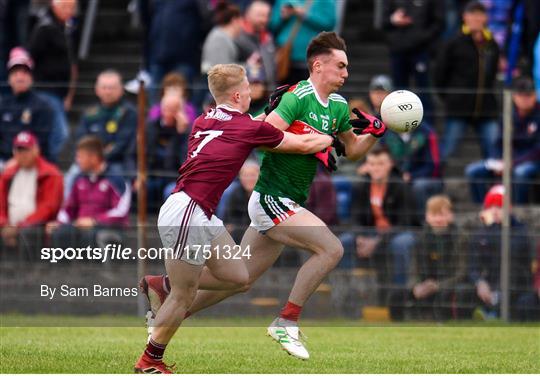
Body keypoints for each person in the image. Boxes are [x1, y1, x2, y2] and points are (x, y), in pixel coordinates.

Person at [140, 32, 387, 362]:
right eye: (340, 66)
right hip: (264, 199)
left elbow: (350, 149)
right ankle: (286, 320)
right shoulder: (294, 99)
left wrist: (372, 133)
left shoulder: (209, 117)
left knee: (239, 279)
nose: (346, 73)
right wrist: (322, 143)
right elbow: (278, 137)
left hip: (210, 208)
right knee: (331, 248)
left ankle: (167, 298)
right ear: (318, 65)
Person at [134, 63, 335, 373]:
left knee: (239, 278)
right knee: (184, 295)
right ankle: (150, 360)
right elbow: (303, 144)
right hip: (189, 211)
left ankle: (163, 284)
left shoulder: (205, 118)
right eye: (249, 86)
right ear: (239, 93)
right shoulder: (247, 127)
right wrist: (331, 137)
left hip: (192, 210)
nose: (253, 90)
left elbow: (244, 126)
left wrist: (266, 117)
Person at [341, 145, 418, 298]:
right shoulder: (361, 186)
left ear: (390, 164)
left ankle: (399, 295)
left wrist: (377, 241)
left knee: (401, 244)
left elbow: (405, 222)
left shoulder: (401, 186)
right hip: (372, 232)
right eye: (372, 164)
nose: (376, 168)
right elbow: (355, 218)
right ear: (366, 166)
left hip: (400, 232)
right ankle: (349, 290)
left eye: (381, 164)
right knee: (344, 241)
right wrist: (360, 237)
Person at [435, 1, 500, 164]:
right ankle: (435, 182)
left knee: (494, 152)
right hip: (459, 106)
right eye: (472, 14)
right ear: (465, 17)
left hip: (486, 107)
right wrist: (449, 97)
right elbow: (439, 74)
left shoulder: (491, 43)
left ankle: (495, 187)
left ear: (485, 17)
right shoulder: (454, 42)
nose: (477, 19)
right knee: (447, 151)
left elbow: (492, 74)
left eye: (480, 14)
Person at [389, 195, 466, 321]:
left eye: (442, 214)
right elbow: (414, 269)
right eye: (434, 215)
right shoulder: (420, 239)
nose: (438, 219)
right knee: (396, 295)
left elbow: (461, 273)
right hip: (424, 285)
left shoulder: (460, 238)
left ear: (451, 216)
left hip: (447, 286)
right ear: (427, 217)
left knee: (451, 295)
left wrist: (438, 285)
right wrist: (416, 287)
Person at [47, 136, 131, 250]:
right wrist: (59, 222)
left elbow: (121, 213)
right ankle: (61, 268)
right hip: (80, 225)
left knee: (89, 237)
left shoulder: (117, 179)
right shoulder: (79, 179)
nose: (77, 160)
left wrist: (95, 221)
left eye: (80, 156)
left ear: (93, 157)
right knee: (60, 234)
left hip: (108, 227)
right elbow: (68, 208)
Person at [465, 76, 539, 204]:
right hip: (507, 160)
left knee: (521, 173)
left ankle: (519, 209)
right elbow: (498, 143)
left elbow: (537, 150)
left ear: (534, 96)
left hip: (531, 161)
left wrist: (513, 163)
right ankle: (483, 207)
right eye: (522, 95)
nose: (526, 99)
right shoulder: (508, 114)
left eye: (529, 95)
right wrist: (498, 160)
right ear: (515, 97)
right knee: (473, 170)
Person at [464, 185, 532, 320]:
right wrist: (479, 282)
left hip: (514, 284)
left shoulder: (520, 230)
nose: (494, 211)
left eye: (499, 207)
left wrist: (491, 229)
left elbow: (509, 250)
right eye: (490, 207)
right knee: (464, 291)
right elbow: (472, 265)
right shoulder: (481, 232)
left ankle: (492, 314)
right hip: (488, 283)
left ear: (509, 209)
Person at [66, 69, 137, 192]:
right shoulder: (90, 113)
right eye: (104, 87)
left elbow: (122, 144)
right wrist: (88, 159)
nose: (108, 91)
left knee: (117, 177)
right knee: (71, 176)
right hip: (89, 160)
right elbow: (80, 139)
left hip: (116, 162)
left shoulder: (129, 113)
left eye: (112, 87)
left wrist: (98, 160)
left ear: (121, 89)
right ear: (97, 89)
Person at [27, 0, 78, 160]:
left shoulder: (66, 28)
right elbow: (31, 58)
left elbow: (71, 63)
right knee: (60, 134)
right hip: (45, 90)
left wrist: (68, 95)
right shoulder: (44, 28)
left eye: (71, 7)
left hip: (59, 92)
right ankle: (49, 165)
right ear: (54, 6)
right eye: (65, 7)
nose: (69, 11)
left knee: (54, 133)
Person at [0, 131, 63, 258]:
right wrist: (4, 224)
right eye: (19, 150)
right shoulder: (8, 173)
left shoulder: (50, 173)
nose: (22, 155)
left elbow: (48, 207)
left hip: (37, 226)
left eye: (26, 150)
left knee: (30, 233)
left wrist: (19, 227)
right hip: (9, 225)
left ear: (36, 150)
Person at [382, 0, 444, 122]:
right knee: (399, 92)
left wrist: (420, 37)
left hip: (420, 50)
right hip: (397, 50)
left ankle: (427, 131)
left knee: (424, 91)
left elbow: (439, 22)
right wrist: (392, 20)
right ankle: (400, 128)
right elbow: (383, 21)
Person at [0, 47, 55, 165]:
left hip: (32, 163)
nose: (20, 77)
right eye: (15, 73)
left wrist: (17, 161)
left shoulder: (43, 106)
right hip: (3, 160)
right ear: (9, 79)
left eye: (24, 73)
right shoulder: (3, 104)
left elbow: (41, 142)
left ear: (31, 78)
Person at [270, 0, 336, 84]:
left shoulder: (326, 1)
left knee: (307, 92)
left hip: (310, 58)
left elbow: (329, 23)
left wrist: (305, 14)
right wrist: (283, 17)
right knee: (283, 91)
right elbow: (272, 25)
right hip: (284, 57)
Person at [236, 0, 276, 88]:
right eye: (260, 15)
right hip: (246, 93)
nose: (264, 19)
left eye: (267, 16)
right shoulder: (237, 37)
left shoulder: (267, 37)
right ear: (247, 14)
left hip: (267, 93)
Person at [223, 160, 260, 243]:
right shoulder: (235, 193)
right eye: (245, 175)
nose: (249, 179)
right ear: (240, 177)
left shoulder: (264, 195)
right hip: (239, 234)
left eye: (252, 175)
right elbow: (229, 221)